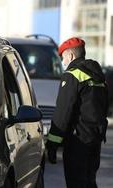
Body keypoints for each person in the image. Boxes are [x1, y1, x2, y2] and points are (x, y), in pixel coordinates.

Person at [46, 37, 108, 188]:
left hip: (77, 141)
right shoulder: (97, 75)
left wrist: (53, 143)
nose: (63, 63)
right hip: (95, 138)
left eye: (63, 58)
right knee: (89, 181)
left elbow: (63, 111)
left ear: (71, 56)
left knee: (77, 182)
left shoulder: (72, 75)